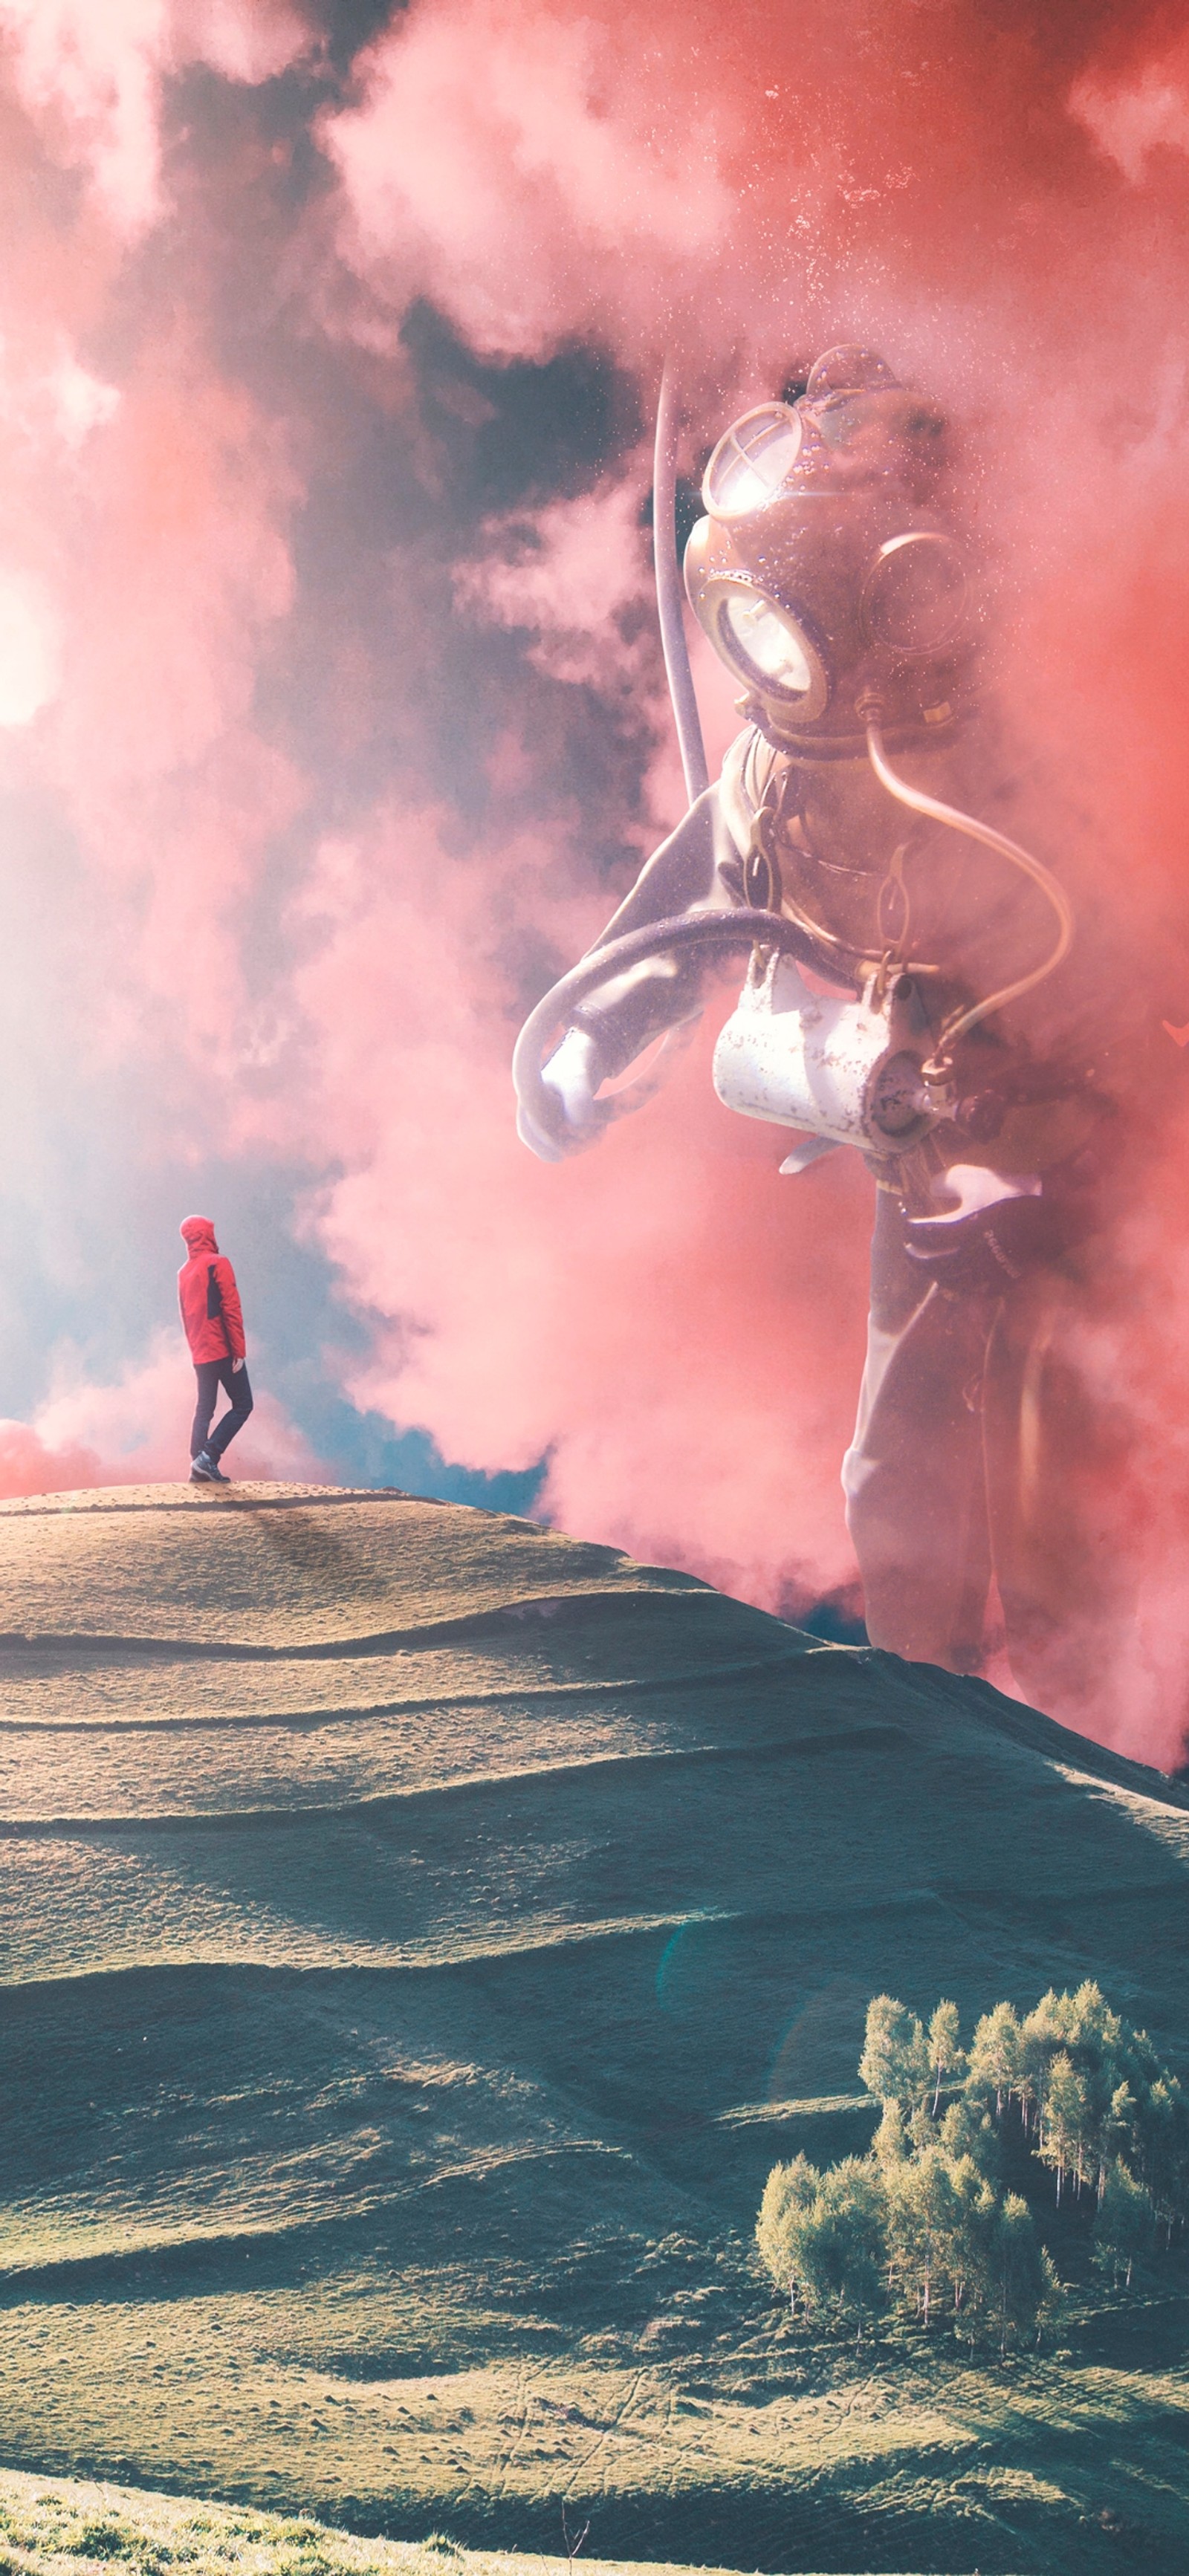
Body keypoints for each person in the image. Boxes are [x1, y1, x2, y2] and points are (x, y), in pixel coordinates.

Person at [512, 345, 1180, 1733]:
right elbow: (682, 926)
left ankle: (1101, 1778)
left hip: (1094, 1159)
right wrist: (585, 1055)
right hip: (926, 1164)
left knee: (1073, 1487)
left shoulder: (1049, 737)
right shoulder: (768, 778)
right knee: (898, 1478)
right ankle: (922, 1750)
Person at [177, 1216, 253, 1485]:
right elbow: (231, 1308)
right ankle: (208, 1458)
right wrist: (239, 1351)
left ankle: (197, 1463)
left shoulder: (184, 1272)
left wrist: (195, 1352)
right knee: (244, 1404)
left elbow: (185, 1316)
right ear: (208, 1234)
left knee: (205, 1408)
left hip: (200, 1352)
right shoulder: (218, 1264)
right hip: (222, 1347)